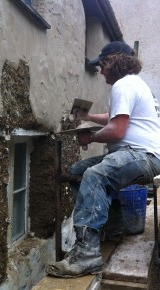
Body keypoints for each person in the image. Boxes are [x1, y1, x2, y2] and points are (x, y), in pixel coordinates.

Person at [46, 41, 160, 278]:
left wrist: (90, 137)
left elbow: (117, 130)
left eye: (103, 65)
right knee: (78, 169)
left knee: (95, 175)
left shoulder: (123, 85)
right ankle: (114, 227)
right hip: (136, 154)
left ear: (114, 62)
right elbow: (114, 116)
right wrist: (88, 116)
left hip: (142, 155)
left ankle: (87, 255)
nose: (101, 71)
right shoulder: (133, 84)